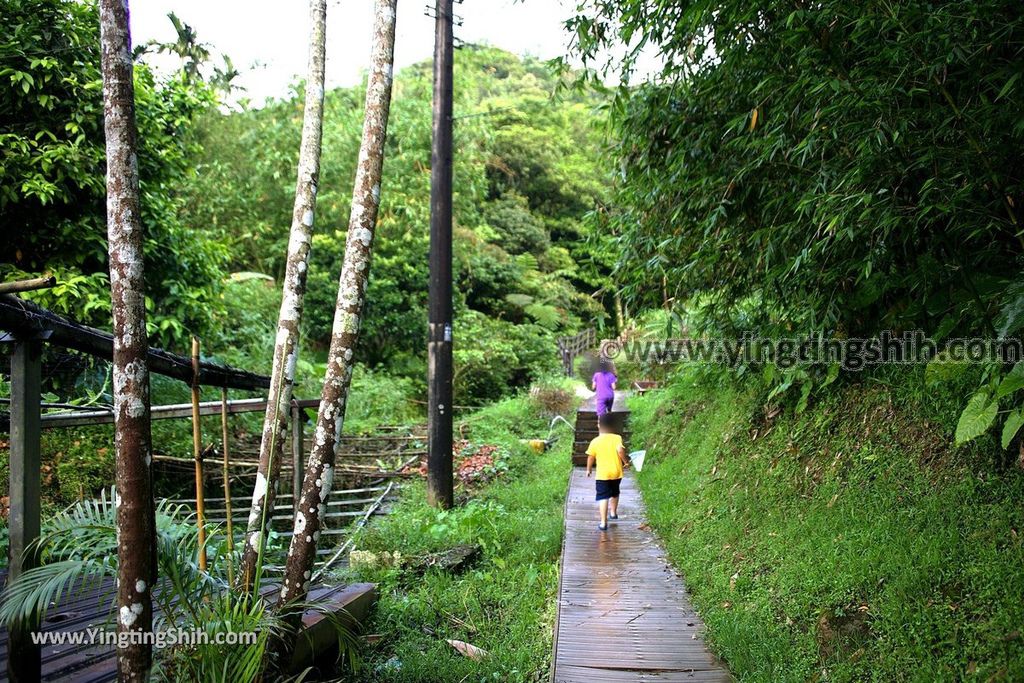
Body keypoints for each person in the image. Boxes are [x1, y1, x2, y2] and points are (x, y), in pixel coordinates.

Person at [586, 412, 629, 531]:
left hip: (602, 475)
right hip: (616, 472)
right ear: (613, 426)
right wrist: (626, 462)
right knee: (615, 492)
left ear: (600, 425)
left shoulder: (595, 441)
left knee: (603, 497)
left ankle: (603, 523)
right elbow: (620, 451)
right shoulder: (617, 438)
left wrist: (589, 469)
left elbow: (590, 457)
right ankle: (613, 513)